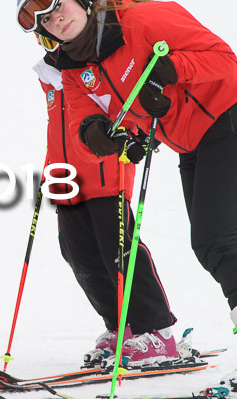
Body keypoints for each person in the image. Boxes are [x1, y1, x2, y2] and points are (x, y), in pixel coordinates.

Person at [16, 0, 237, 353]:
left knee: (218, 240)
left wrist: (172, 71)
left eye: (60, 6)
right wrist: (100, 136)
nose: (58, 20)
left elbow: (224, 60)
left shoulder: (140, 21)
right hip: (192, 141)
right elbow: (83, 118)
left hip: (225, 117)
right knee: (208, 244)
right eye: (47, 20)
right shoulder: (73, 66)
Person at [29, 29, 177, 365]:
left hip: (106, 175)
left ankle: (157, 331)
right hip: (66, 183)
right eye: (45, 40)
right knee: (79, 255)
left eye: (56, 38)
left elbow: (126, 102)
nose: (54, 46)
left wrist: (139, 134)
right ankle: (121, 326)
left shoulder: (93, 67)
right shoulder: (48, 77)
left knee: (119, 252)